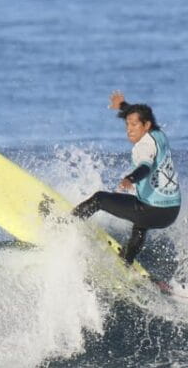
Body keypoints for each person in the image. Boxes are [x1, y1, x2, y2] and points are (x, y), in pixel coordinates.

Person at [71, 91, 181, 265]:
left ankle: (66, 224)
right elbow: (140, 115)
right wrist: (122, 106)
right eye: (127, 124)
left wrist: (130, 178)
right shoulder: (159, 136)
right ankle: (127, 260)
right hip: (171, 211)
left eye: (133, 125)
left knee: (100, 199)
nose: (129, 129)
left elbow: (145, 167)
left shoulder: (144, 145)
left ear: (146, 126)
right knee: (140, 224)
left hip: (152, 210)